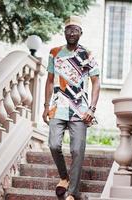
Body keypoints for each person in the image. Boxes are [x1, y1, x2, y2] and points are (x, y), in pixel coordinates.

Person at [42, 16, 100, 200]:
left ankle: (73, 193)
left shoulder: (87, 55)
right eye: (69, 29)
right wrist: (45, 106)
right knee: (53, 144)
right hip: (58, 106)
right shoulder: (54, 53)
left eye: (75, 30)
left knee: (77, 150)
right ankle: (64, 177)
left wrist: (92, 109)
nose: (72, 33)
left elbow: (96, 82)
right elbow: (50, 81)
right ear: (64, 32)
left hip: (80, 109)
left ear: (81, 33)